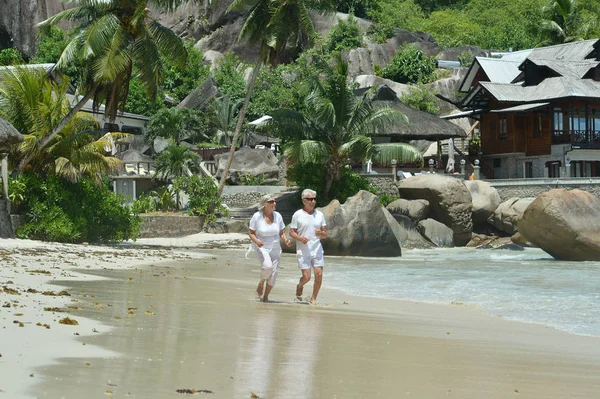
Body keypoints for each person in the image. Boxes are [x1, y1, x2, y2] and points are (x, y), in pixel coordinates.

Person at [248, 194, 291, 302]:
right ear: (265, 204)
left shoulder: (278, 216)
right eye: (271, 202)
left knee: (274, 273)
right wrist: (257, 241)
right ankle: (262, 282)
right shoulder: (257, 216)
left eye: (274, 201)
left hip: (275, 246)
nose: (274, 203)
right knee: (267, 267)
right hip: (262, 246)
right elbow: (251, 232)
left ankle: (266, 297)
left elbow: (281, 232)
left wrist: (286, 240)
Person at [289, 189, 327, 305]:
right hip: (303, 250)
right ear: (303, 200)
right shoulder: (297, 214)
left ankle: (313, 299)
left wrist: (321, 234)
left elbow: (325, 234)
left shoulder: (319, 215)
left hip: (317, 249)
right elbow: (291, 232)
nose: (313, 201)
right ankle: (300, 285)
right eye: (310, 199)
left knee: (319, 274)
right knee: (306, 277)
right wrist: (300, 239)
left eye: (314, 199)